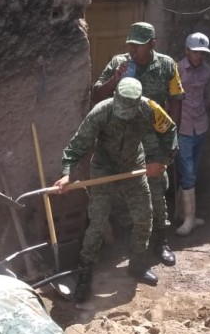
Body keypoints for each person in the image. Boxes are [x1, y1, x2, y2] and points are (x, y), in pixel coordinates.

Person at [54, 77, 177, 304]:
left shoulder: (150, 109)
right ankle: (85, 273)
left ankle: (137, 266)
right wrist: (67, 173)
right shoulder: (101, 112)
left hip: (134, 165)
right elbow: (77, 146)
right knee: (97, 222)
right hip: (104, 168)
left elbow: (170, 131)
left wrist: (161, 160)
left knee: (144, 217)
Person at [92, 21, 185, 267]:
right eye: (130, 44)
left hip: (153, 140)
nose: (132, 49)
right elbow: (97, 95)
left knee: (157, 190)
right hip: (122, 141)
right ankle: (129, 244)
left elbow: (176, 99)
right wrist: (115, 79)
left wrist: (170, 136)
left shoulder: (167, 65)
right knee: (124, 191)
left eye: (138, 45)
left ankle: (161, 241)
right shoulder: (118, 63)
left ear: (152, 44)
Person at [175, 32, 210, 236]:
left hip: (200, 126)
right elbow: (170, 99)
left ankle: (184, 214)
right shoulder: (178, 70)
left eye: (203, 53)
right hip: (182, 129)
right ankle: (189, 218)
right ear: (187, 51)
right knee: (187, 172)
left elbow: (209, 97)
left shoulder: (207, 71)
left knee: (193, 171)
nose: (200, 56)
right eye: (196, 52)